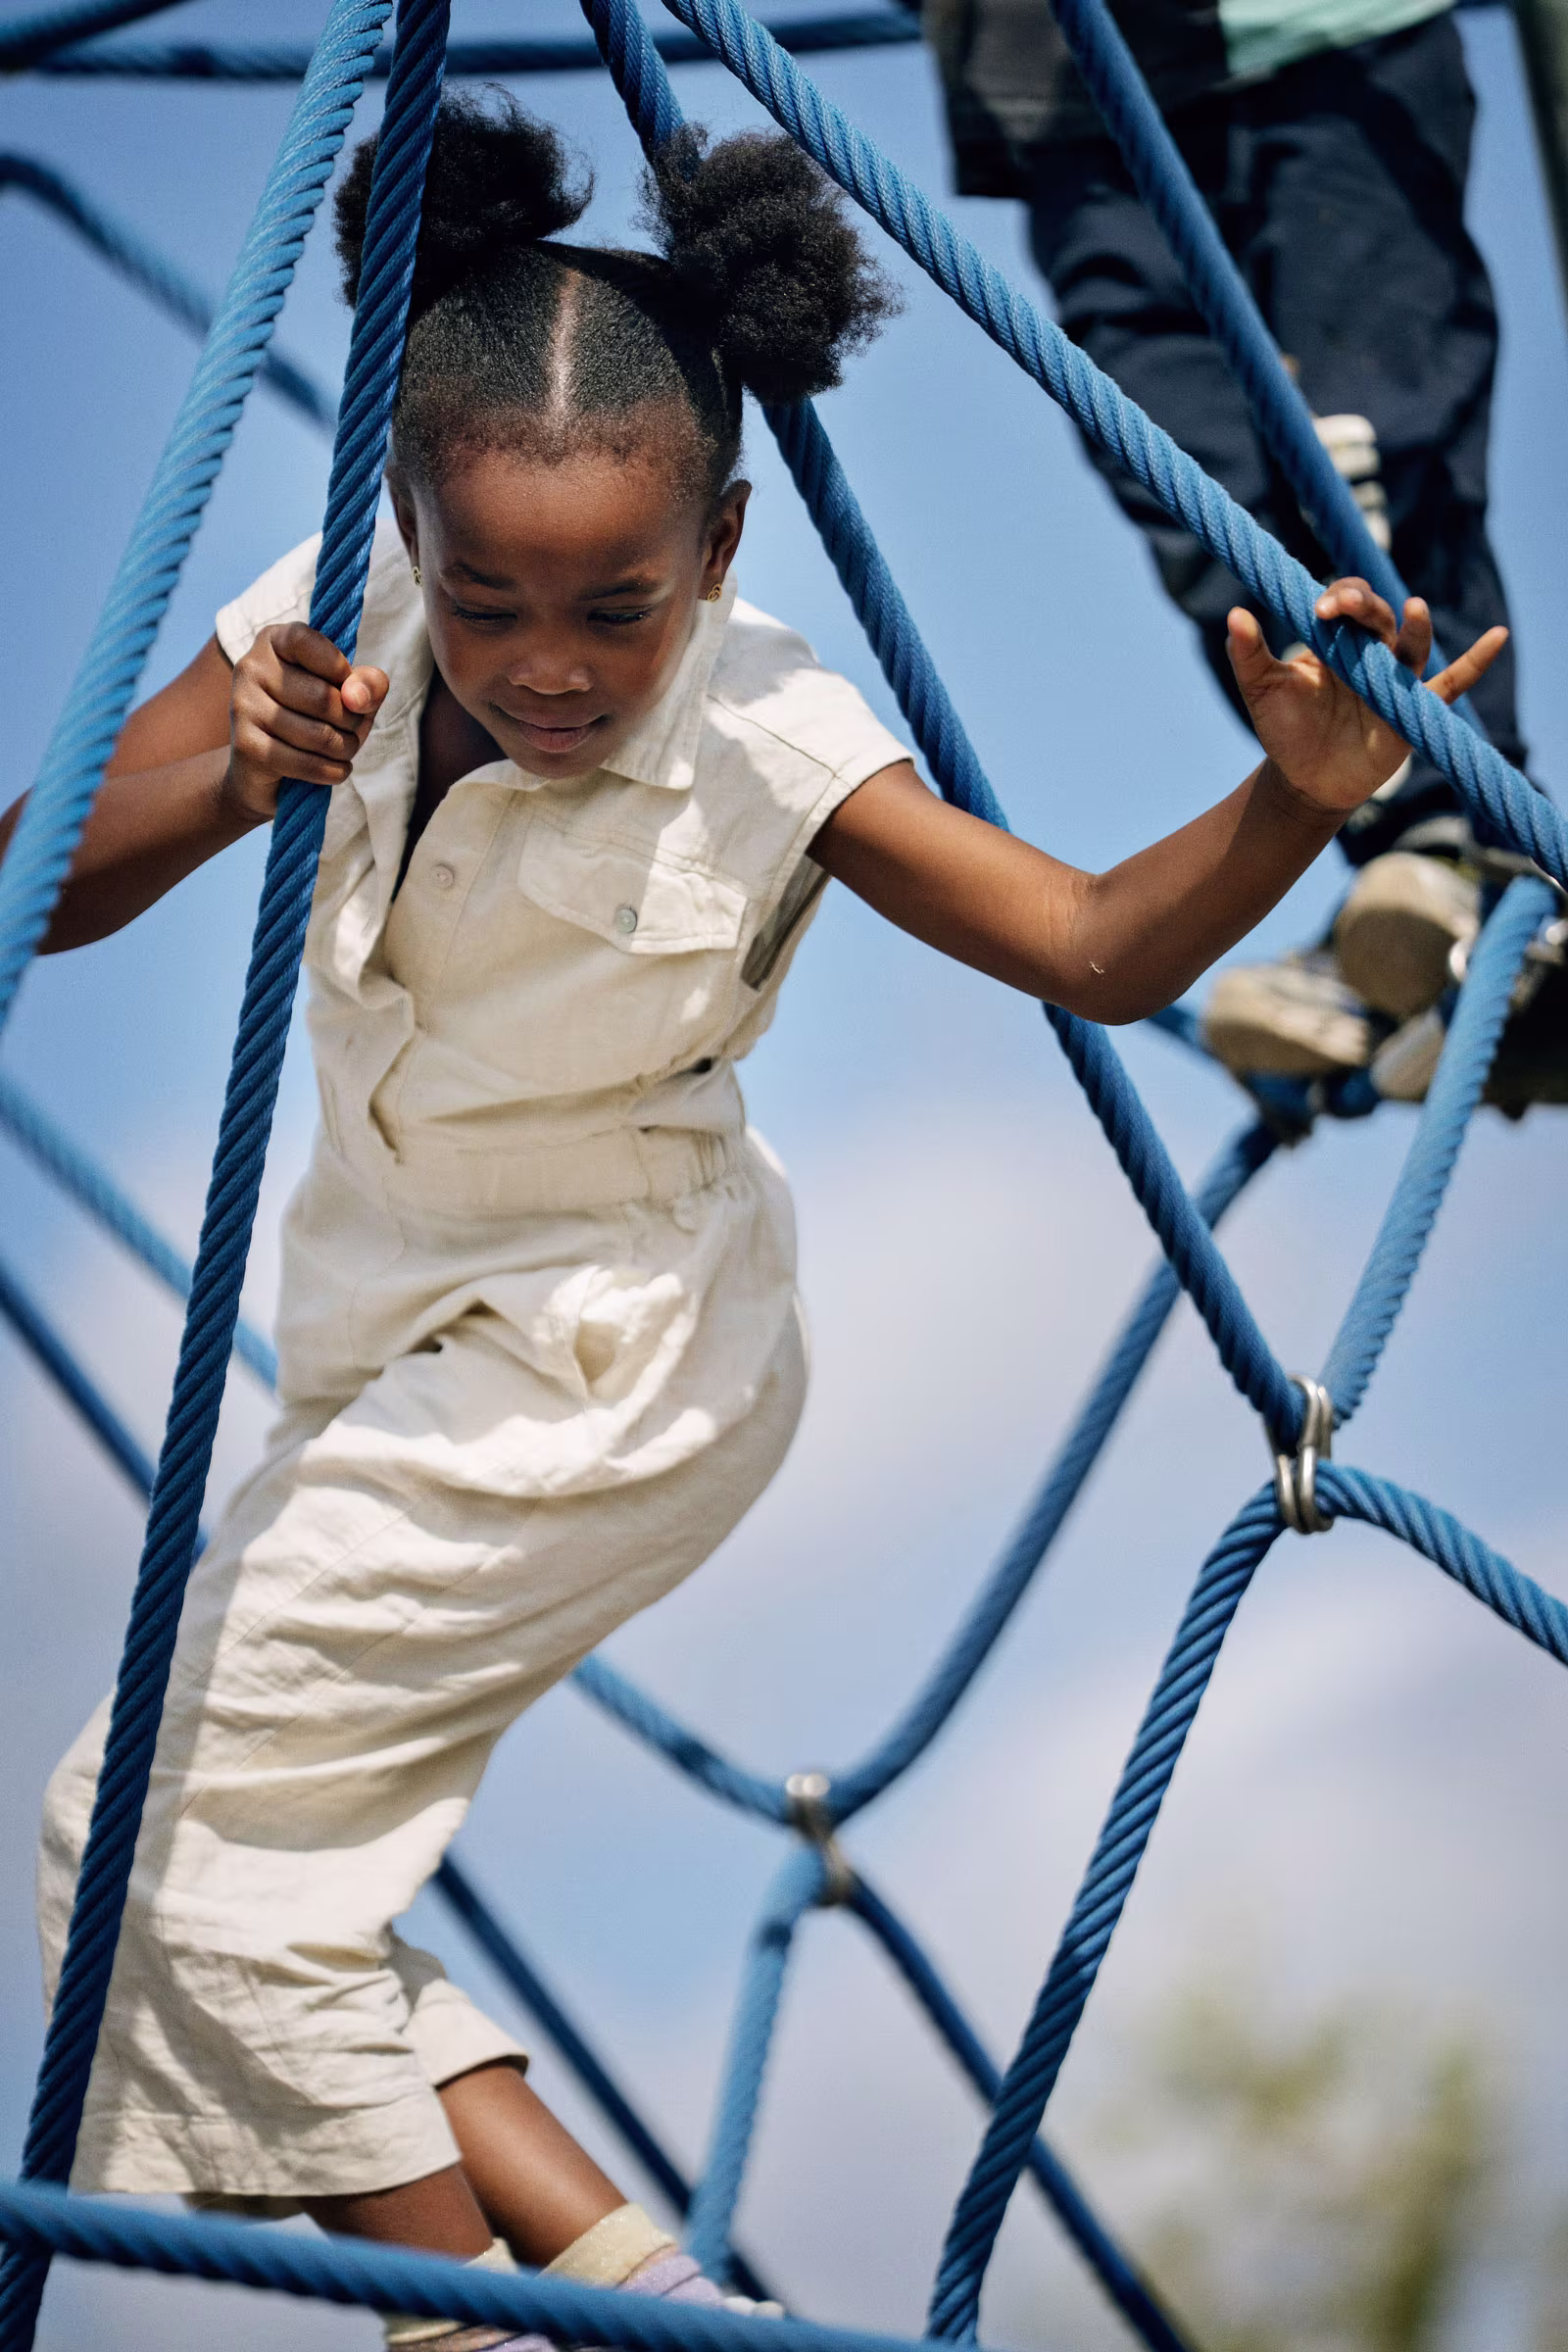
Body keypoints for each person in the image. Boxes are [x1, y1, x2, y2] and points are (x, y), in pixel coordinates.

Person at [5, 92, 1500, 2349]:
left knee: (195, 1862)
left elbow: (1091, 941)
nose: (545, 666)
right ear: (406, 522)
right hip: (393, 1352)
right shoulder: (342, 627)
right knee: (137, 1863)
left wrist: (1290, 805)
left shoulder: (766, 730)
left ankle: (469, 2328)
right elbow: (32, 880)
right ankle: (625, 2269)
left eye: (613, 605)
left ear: (709, 548)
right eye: (488, 601)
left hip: (612, 1354)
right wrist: (232, 768)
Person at [929, 0, 1562, 1103]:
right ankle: (1409, 859)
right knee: (1194, 492)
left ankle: (1472, 843)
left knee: (1369, 449)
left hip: (1325, 27)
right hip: (1065, 75)